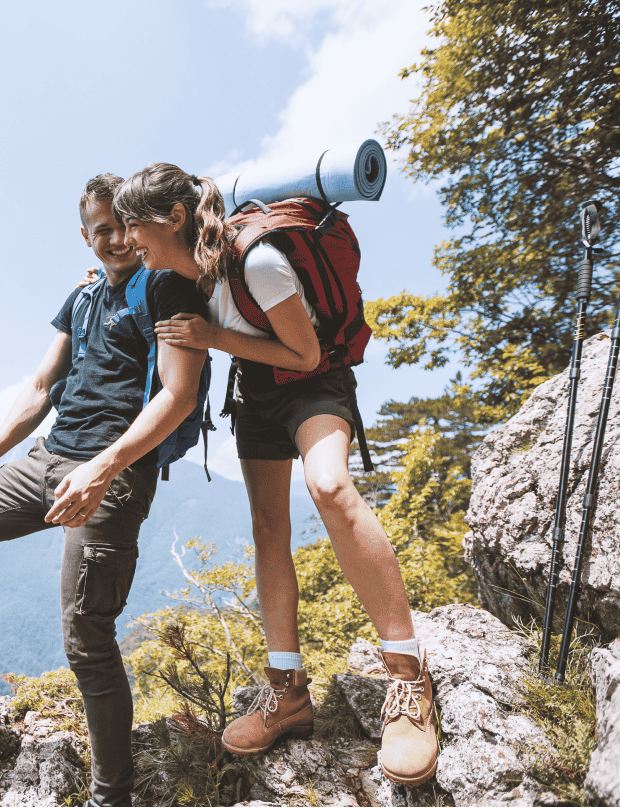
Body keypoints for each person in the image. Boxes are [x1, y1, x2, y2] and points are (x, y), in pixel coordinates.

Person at [112, 163, 438, 786]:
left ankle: (407, 678)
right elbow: (131, 287)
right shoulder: (177, 273)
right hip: (258, 390)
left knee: (330, 487)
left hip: (313, 383)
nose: (130, 240)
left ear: (173, 219)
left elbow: (306, 354)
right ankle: (288, 694)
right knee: (268, 529)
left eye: (135, 226)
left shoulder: (256, 262)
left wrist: (212, 336)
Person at [0, 173, 208, 807]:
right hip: (48, 459)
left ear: (139, 226)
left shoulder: (167, 287)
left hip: (115, 473)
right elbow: (43, 387)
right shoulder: (80, 299)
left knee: (87, 640)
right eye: (100, 231)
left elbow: (179, 396)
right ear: (85, 236)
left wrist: (102, 469)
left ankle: (111, 796)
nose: (114, 240)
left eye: (122, 227)